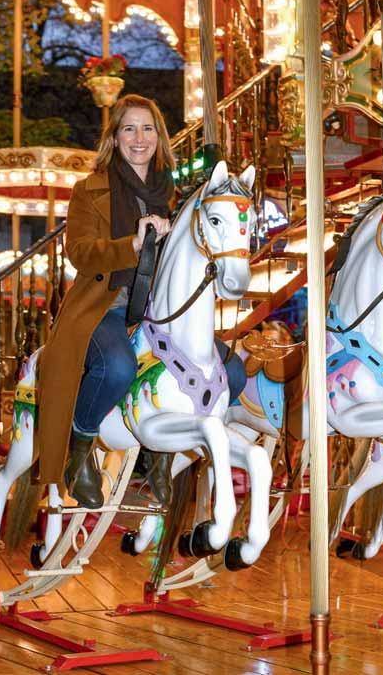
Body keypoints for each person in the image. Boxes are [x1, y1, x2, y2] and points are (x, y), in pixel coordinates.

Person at [35, 94, 246, 509]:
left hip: (160, 312)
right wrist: (131, 244)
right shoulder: (89, 190)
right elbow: (79, 252)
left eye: (148, 128)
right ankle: (79, 450)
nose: (139, 137)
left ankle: (159, 455)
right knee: (117, 367)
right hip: (107, 303)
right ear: (114, 137)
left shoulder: (174, 195)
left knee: (234, 372)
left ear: (159, 137)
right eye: (128, 128)